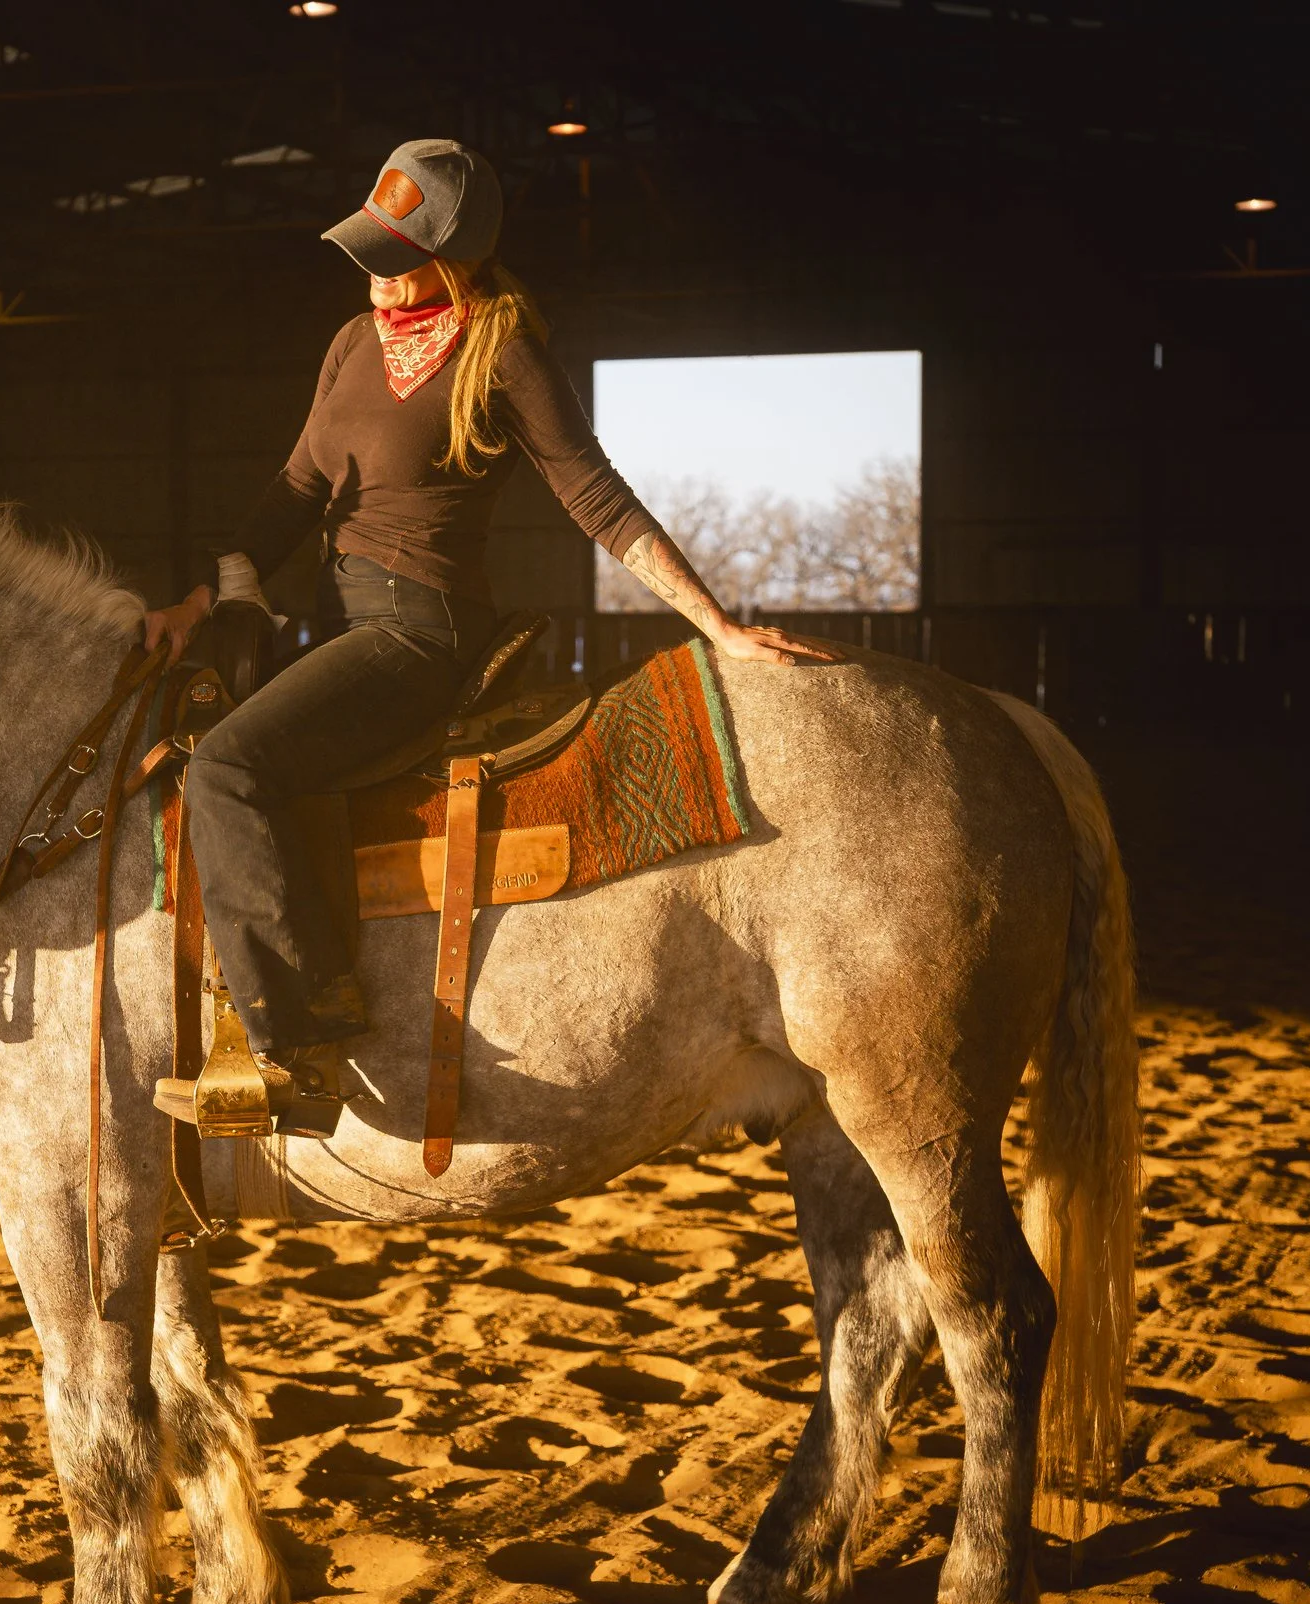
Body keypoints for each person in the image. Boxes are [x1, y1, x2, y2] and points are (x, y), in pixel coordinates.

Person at [144, 138, 835, 1129]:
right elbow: (297, 488)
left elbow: (595, 495)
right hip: (349, 628)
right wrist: (199, 598)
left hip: (423, 635)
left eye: (397, 258)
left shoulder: (502, 351)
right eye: (368, 256)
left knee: (224, 769)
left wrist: (714, 623)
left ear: (454, 258)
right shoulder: (350, 343)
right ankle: (331, 981)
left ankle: (290, 1051)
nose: (377, 280)